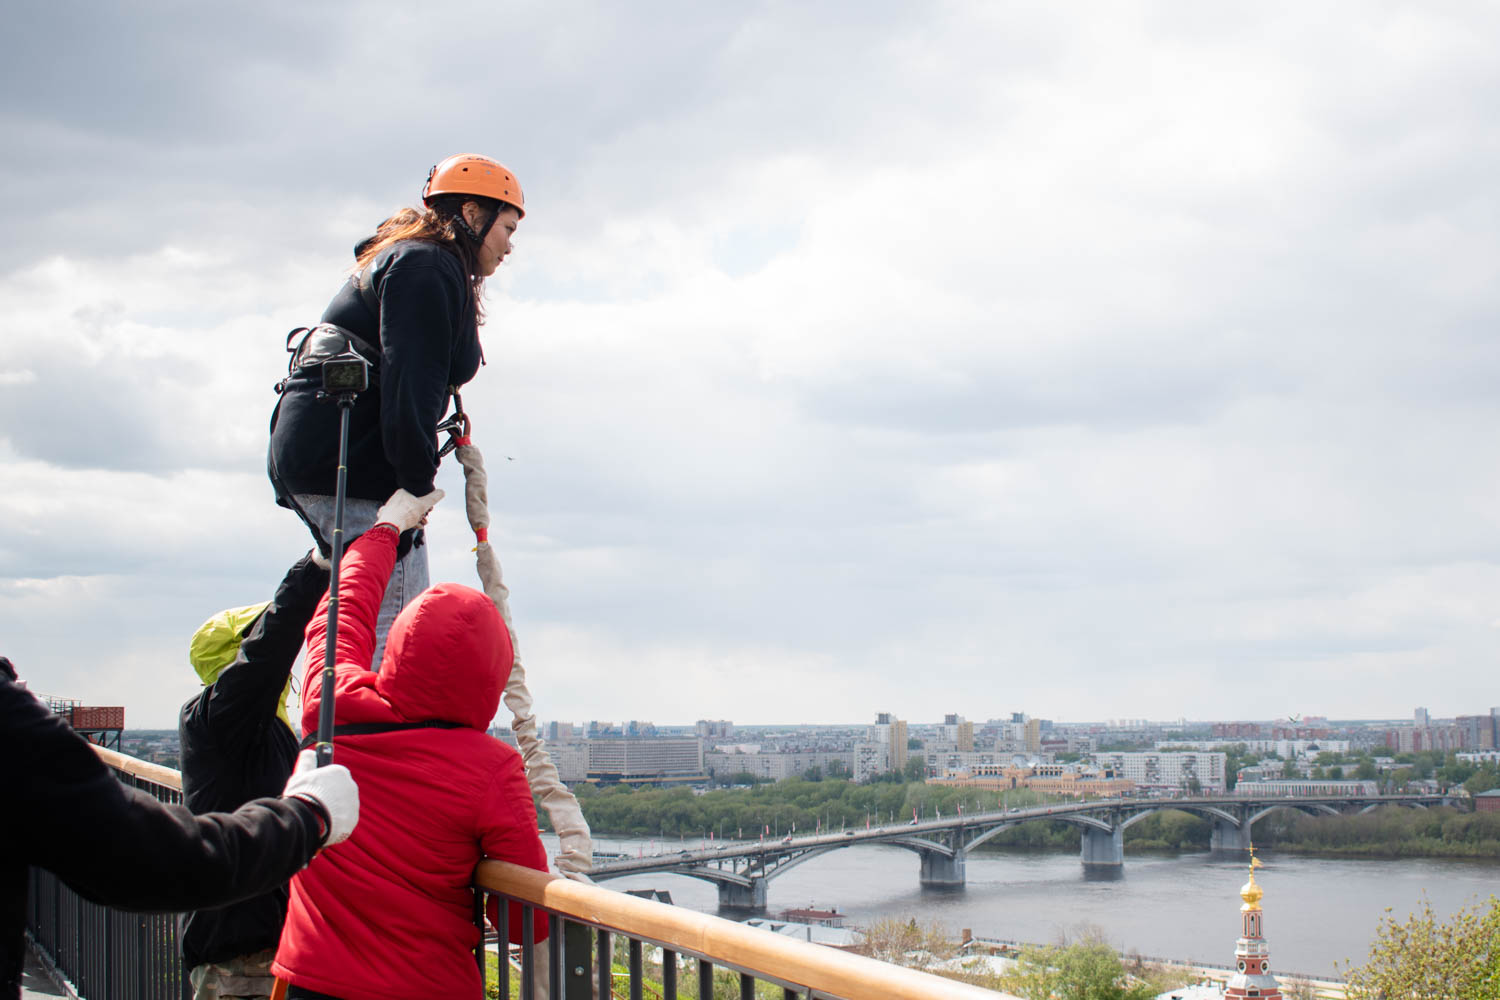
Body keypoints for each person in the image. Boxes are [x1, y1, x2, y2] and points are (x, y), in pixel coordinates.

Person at [271, 488, 550, 1000]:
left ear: (398, 645)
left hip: (310, 982)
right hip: (425, 987)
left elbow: (342, 611)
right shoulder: (493, 770)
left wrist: (386, 529)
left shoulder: (330, 708)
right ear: (492, 672)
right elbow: (521, 924)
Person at [267, 153, 524, 667]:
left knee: (362, 614)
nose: (509, 246)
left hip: (328, 448)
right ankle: (373, 740)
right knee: (393, 631)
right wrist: (415, 485)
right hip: (357, 463)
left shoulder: (414, 260)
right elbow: (414, 380)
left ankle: (344, 734)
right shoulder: (428, 266)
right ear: (473, 215)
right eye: (507, 227)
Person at [2, 655, 359, 1000]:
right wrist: (306, 818)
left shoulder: (205, 717)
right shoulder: (10, 719)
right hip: (244, 933)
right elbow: (142, 857)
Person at [178, 553, 330, 1000]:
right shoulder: (222, 716)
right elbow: (266, 653)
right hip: (242, 953)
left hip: (258, 940)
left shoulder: (259, 726)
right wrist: (317, 566)